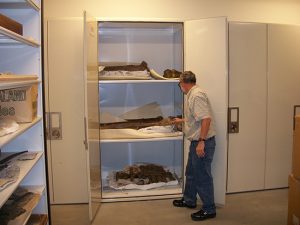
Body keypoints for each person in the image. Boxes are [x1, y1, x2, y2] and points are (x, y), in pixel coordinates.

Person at [172, 71, 217, 221]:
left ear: (184, 83)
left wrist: (202, 142)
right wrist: (182, 120)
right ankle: (189, 199)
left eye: (179, 84)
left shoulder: (196, 95)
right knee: (191, 172)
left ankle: (209, 209)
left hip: (202, 142)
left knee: (202, 176)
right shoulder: (192, 94)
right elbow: (196, 117)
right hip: (196, 142)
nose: (180, 86)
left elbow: (206, 119)